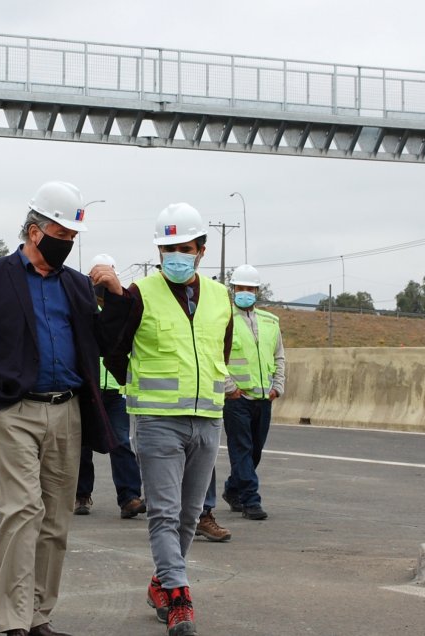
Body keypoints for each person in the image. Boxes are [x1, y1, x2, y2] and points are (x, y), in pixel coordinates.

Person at [0, 181, 115, 636]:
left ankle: (40, 616)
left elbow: (104, 345)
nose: (66, 245)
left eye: (72, 239)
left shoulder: (79, 286)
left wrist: (117, 296)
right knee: (23, 511)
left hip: (68, 411)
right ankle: (14, 620)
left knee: (56, 520)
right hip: (14, 412)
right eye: (60, 235)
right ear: (33, 229)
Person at [93, 203, 233, 636]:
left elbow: (220, 352)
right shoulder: (138, 294)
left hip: (207, 420)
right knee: (164, 515)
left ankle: (160, 583)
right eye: (167, 248)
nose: (175, 255)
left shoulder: (219, 296)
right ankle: (179, 597)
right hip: (156, 421)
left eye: (184, 247)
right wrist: (111, 295)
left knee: (190, 515)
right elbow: (112, 346)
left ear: (201, 251)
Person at [74, 254, 145, 520]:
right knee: (81, 445)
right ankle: (81, 494)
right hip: (87, 388)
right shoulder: (82, 308)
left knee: (121, 442)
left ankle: (129, 497)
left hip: (115, 391)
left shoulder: (124, 308)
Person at [220, 264, 286, 521]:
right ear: (233, 289)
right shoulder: (223, 319)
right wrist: (229, 388)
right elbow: (216, 356)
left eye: (250, 288)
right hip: (237, 399)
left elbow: (279, 356)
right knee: (242, 450)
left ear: (257, 291)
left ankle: (232, 490)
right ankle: (251, 500)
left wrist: (277, 387)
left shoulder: (271, 322)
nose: (245, 292)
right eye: (241, 288)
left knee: (255, 451)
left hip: (263, 399)